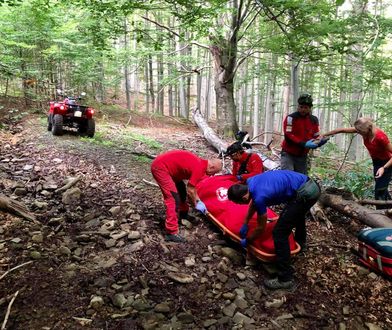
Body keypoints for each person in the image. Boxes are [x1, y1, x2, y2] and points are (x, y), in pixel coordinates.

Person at [227, 170, 321, 290]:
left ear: (244, 197)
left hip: (306, 192)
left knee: (279, 232)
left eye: (239, 203)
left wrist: (248, 240)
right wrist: (245, 223)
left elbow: (261, 228)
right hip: (309, 184)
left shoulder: (260, 197)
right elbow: (253, 203)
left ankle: (285, 279)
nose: (240, 205)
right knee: (297, 213)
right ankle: (301, 243)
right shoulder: (251, 182)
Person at [151, 150, 222, 242]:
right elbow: (191, 190)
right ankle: (171, 232)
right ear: (211, 167)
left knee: (181, 190)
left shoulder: (201, 164)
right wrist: (195, 205)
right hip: (160, 168)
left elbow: (192, 187)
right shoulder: (199, 168)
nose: (213, 175)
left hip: (172, 170)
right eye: (214, 172)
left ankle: (183, 213)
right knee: (173, 199)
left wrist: (198, 200)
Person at [322, 117, 392, 208]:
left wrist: (384, 168)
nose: (357, 132)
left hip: (387, 163)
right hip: (376, 162)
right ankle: (389, 207)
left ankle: (381, 214)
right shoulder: (363, 130)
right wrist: (324, 134)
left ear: (368, 130)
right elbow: (341, 130)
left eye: (359, 131)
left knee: (379, 190)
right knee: (381, 188)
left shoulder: (380, 137)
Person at [281, 93, 327, 174]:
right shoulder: (290, 118)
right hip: (288, 154)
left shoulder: (314, 120)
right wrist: (303, 143)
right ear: (298, 106)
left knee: (301, 179)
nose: (303, 109)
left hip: (302, 156)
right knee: (287, 177)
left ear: (310, 108)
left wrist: (320, 142)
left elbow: (316, 135)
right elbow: (288, 135)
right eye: (301, 107)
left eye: (305, 108)